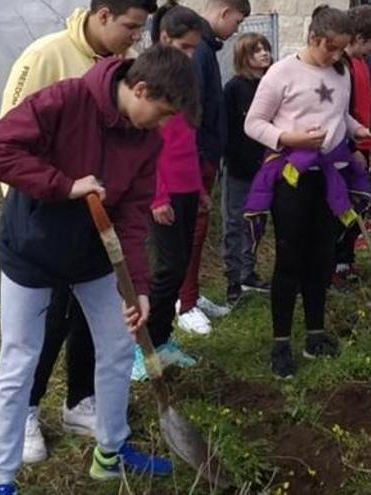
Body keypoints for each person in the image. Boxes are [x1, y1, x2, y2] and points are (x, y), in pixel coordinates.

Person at [0, 45, 199, 495]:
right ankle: (3, 478)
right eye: (160, 113)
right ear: (140, 88)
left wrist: (136, 287)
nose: (161, 126)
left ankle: (110, 452)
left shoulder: (146, 139)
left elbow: (135, 214)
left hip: (95, 257)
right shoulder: (65, 100)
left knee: (118, 347)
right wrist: (63, 185)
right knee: (20, 358)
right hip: (32, 250)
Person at [0, 0, 158, 464]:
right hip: (41, 232)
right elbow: (8, 139)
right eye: (131, 26)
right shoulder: (47, 57)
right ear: (103, 14)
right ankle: (27, 411)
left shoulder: (123, 77)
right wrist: (45, 204)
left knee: (94, 331)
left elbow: (130, 197)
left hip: (95, 238)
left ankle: (79, 403)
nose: (135, 37)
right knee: (43, 331)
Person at [244, 5, 371, 378]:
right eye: (331, 48)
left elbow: (338, 115)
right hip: (293, 176)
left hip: (330, 175)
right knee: (291, 259)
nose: (337, 56)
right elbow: (253, 123)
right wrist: (289, 138)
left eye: (342, 49)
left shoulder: (341, 70)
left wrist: (355, 131)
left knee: (322, 257)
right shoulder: (281, 73)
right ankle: (281, 341)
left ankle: (315, 333)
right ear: (313, 38)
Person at [133, 1, 206, 381]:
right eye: (185, 47)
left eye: (194, 48)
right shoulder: (153, 78)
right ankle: (141, 346)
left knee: (179, 266)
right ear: (164, 38)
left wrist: (198, 188)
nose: (191, 55)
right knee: (166, 268)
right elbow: (149, 145)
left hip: (187, 185)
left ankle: (162, 340)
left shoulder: (185, 79)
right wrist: (158, 195)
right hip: (164, 190)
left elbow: (186, 140)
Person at [175, 0, 252, 334]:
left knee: (198, 228)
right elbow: (191, 109)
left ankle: (190, 293)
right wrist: (199, 157)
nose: (237, 29)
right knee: (190, 230)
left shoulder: (206, 47)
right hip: (195, 158)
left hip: (204, 156)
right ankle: (184, 303)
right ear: (224, 13)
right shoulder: (199, 52)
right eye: (237, 21)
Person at [332, 4, 371, 285]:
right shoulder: (340, 65)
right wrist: (354, 149)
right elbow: (341, 114)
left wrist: (370, 145)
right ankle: (334, 265)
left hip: (361, 145)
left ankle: (345, 261)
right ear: (359, 36)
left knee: (359, 207)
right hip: (343, 150)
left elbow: (363, 111)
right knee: (343, 209)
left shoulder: (363, 64)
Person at [222, 32, 273, 306]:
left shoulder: (271, 85)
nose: (264, 53)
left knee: (257, 221)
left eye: (265, 48)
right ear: (244, 56)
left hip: (266, 166)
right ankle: (233, 280)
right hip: (241, 167)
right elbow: (227, 129)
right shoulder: (234, 88)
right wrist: (232, 159)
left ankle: (248, 272)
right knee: (235, 222)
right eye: (256, 50)